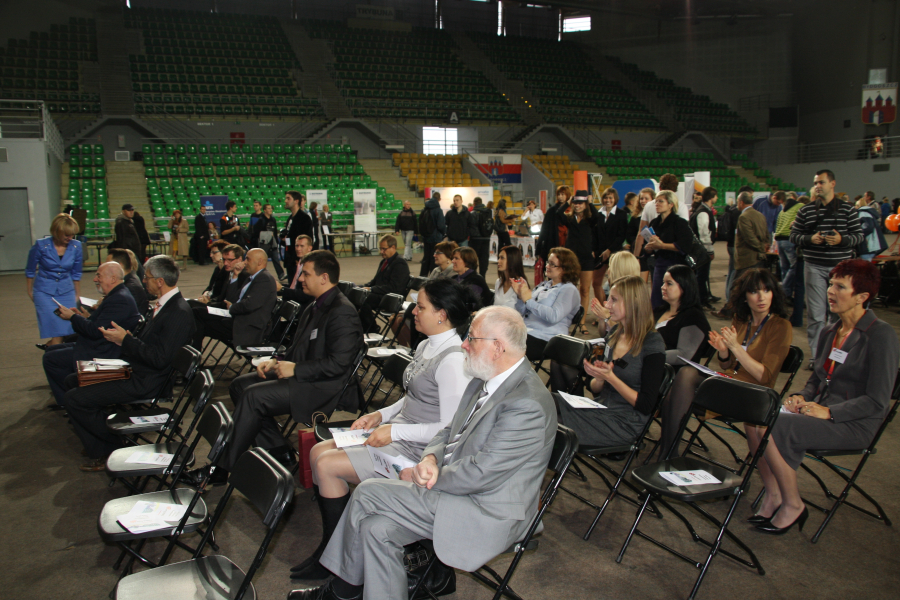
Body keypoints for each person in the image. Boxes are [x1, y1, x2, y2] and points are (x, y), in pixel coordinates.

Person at [289, 306, 557, 600]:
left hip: (487, 510)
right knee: (375, 528)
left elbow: (482, 474)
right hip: (459, 492)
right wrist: (429, 458)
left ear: (497, 347)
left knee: (367, 493)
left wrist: (428, 477)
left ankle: (341, 592)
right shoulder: (485, 379)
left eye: (471, 338)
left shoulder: (526, 404)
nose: (464, 345)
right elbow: (448, 431)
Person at [294, 279, 473, 580]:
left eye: (421, 307)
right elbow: (413, 398)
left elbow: (448, 430)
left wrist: (393, 431)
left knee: (326, 465)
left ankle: (335, 558)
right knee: (317, 452)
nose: (413, 311)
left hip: (420, 452)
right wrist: (379, 415)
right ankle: (335, 547)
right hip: (400, 434)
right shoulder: (427, 344)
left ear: (441, 314)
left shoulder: (453, 360)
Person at [183, 250, 365, 486]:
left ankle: (219, 469)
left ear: (324, 278)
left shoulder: (342, 311)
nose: (300, 279)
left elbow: (339, 364)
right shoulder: (316, 305)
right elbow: (298, 348)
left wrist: (295, 369)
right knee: (239, 386)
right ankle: (279, 450)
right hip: (307, 377)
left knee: (253, 396)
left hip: (324, 387)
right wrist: (276, 361)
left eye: (305, 274)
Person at [752, 260, 898, 534]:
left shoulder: (881, 335)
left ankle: (793, 504)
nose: (830, 291)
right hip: (819, 411)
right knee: (760, 419)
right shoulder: (831, 330)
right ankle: (775, 495)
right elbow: (818, 379)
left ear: (862, 297)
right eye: (831, 284)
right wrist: (800, 396)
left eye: (840, 286)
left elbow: (878, 400)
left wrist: (830, 412)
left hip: (855, 422)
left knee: (775, 427)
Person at [65, 256, 195, 471]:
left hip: (146, 380)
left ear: (160, 282)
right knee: (74, 380)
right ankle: (100, 438)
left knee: (74, 399)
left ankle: (109, 448)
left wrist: (125, 340)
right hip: (136, 369)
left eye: (147, 277)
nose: (143, 281)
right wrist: (125, 340)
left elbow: (159, 359)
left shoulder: (178, 313)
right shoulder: (167, 306)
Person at [658, 268, 792, 458]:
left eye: (766, 290)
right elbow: (727, 365)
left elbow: (764, 376)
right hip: (729, 381)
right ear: (745, 297)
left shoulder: (780, 326)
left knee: (685, 377)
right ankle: (667, 454)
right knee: (680, 382)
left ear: (773, 293)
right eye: (754, 291)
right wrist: (723, 351)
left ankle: (667, 455)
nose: (761, 297)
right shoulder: (741, 320)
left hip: (756, 393)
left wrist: (735, 347)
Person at [555, 275, 666, 450]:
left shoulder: (652, 343)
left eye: (614, 300)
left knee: (549, 422)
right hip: (600, 408)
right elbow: (594, 388)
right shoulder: (614, 333)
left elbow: (646, 405)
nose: (607, 305)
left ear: (632, 303)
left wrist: (611, 378)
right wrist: (599, 378)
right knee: (546, 401)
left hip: (624, 422)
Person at [790, 170, 863, 368]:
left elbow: (859, 236)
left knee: (839, 314)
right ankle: (817, 358)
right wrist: (809, 239)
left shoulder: (848, 210)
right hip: (814, 266)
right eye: (815, 183)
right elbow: (793, 235)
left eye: (821, 182)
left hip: (841, 270)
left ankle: (835, 355)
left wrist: (841, 240)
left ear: (832, 184)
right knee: (815, 315)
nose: (817, 186)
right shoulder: (806, 211)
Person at [42, 262, 140, 408]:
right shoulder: (117, 295)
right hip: (100, 345)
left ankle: (70, 401)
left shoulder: (119, 299)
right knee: (51, 350)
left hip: (105, 352)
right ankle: (70, 396)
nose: (95, 279)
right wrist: (82, 317)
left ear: (113, 279)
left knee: (51, 359)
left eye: (98, 276)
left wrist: (73, 317)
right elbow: (99, 326)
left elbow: (95, 331)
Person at [191, 248, 275, 350]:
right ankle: (192, 354)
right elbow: (232, 298)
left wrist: (231, 307)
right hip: (235, 318)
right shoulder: (252, 277)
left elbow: (249, 305)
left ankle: (192, 355)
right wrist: (235, 275)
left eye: (248, 259)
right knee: (196, 312)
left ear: (260, 261)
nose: (245, 262)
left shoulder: (264, 279)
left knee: (197, 317)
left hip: (245, 327)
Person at [511, 247, 581, 360]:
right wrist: (520, 297)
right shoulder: (544, 285)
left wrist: (528, 301)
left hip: (546, 338)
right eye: (548, 262)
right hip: (526, 331)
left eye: (552, 264)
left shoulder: (569, 289)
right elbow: (521, 312)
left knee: (503, 348)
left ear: (565, 268)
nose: (547, 266)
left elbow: (554, 316)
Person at [27, 214, 83, 346]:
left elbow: (76, 273)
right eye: (67, 235)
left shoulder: (76, 246)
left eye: (72, 234)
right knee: (54, 323)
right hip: (44, 290)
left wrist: (77, 294)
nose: (70, 238)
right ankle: (54, 349)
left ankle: (51, 347)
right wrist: (29, 291)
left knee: (67, 324)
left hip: (66, 290)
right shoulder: (41, 245)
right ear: (57, 232)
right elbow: (30, 269)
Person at [654, 265, 711, 366]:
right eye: (663, 282)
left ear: (685, 286)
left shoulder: (694, 317)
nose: (663, 287)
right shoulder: (658, 311)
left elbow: (683, 355)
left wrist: (646, 356)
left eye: (669, 284)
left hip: (674, 370)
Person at [644, 190, 693, 309]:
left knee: (674, 299)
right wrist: (649, 248)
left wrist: (662, 245)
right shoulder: (655, 223)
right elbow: (651, 247)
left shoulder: (679, 223)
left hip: (676, 265)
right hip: (659, 264)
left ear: (671, 204)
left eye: (661, 201)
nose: (657, 204)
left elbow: (685, 246)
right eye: (656, 202)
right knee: (657, 299)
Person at [560, 190, 598, 334]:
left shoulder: (590, 219)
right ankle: (567, 319)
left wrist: (591, 203)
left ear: (585, 204)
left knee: (585, 290)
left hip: (587, 258)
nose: (577, 205)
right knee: (569, 289)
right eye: (575, 203)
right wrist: (568, 202)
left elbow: (597, 217)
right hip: (571, 258)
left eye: (580, 203)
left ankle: (582, 322)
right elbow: (558, 214)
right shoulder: (569, 219)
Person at [359, 234, 410, 333]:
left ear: (393, 247)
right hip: (382, 295)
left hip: (392, 298)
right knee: (356, 294)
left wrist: (371, 289)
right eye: (380, 249)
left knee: (363, 299)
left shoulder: (400, 263)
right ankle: (365, 327)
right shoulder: (384, 261)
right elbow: (375, 281)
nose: (381, 252)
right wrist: (362, 287)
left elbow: (394, 288)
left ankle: (372, 329)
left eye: (384, 249)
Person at [774, 194, 809, 314]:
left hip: (779, 240)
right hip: (789, 240)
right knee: (795, 267)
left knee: (785, 268)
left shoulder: (782, 210)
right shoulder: (801, 207)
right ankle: (783, 290)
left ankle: (786, 295)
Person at [593, 187, 627, 308]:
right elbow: (594, 235)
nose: (608, 200)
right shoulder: (598, 215)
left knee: (615, 284)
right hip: (600, 254)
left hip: (615, 253)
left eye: (610, 198)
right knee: (596, 283)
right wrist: (595, 250)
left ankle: (616, 310)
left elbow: (621, 236)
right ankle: (603, 310)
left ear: (615, 199)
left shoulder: (621, 214)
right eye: (606, 198)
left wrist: (609, 250)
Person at [689, 187, 718, 308]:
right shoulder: (703, 212)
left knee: (702, 276)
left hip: (700, 250)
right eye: (715, 196)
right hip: (702, 250)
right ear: (711, 197)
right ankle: (700, 300)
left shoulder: (703, 210)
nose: (717, 198)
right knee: (701, 276)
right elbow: (704, 234)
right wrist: (709, 250)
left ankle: (704, 298)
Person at [283, 190, 313, 283]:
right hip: (290, 259)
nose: (285, 201)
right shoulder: (290, 218)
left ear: (296, 201)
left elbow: (308, 240)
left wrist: (300, 259)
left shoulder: (304, 218)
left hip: (298, 261)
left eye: (288, 198)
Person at [106, 248, 150, 313]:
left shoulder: (129, 288)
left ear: (119, 266)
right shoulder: (130, 279)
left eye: (108, 265)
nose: (105, 268)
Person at [535, 185, 571, 265]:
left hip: (568, 243)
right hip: (553, 243)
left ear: (567, 195)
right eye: (559, 194)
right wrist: (539, 248)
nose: (560, 196)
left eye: (563, 194)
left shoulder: (572, 210)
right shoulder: (551, 211)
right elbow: (544, 229)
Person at [278, 235, 314, 307]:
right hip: (292, 301)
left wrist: (282, 289)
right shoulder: (299, 264)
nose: (298, 249)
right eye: (297, 246)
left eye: (302, 246)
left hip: (301, 306)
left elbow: (305, 295)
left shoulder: (311, 267)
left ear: (309, 248)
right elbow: (294, 285)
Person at [253, 203, 286, 280]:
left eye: (271, 208)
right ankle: (260, 274)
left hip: (272, 242)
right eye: (268, 208)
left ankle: (281, 275)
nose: (270, 210)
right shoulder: (261, 220)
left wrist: (276, 241)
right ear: (264, 210)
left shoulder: (273, 219)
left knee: (276, 258)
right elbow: (256, 231)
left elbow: (275, 231)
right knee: (262, 260)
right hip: (264, 243)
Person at [419, 192, 446, 277]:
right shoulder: (438, 210)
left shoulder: (424, 209)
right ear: (439, 199)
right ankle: (433, 278)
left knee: (426, 258)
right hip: (436, 238)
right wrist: (443, 233)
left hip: (426, 237)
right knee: (434, 258)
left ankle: (422, 277)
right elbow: (441, 225)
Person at [494, 245, 528, 309]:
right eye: (499, 258)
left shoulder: (521, 283)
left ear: (512, 260)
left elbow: (523, 310)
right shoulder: (499, 282)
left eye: (502, 258)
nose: (498, 261)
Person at [467, 196, 493, 278]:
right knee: (484, 259)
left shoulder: (472, 214)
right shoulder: (488, 212)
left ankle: (473, 276)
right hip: (486, 238)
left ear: (474, 204)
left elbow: (470, 226)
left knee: (473, 259)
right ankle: (482, 276)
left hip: (475, 239)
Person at [856, 192, 888, 260]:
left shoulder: (863, 213)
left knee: (865, 264)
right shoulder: (868, 212)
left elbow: (868, 227)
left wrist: (859, 234)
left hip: (867, 246)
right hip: (872, 244)